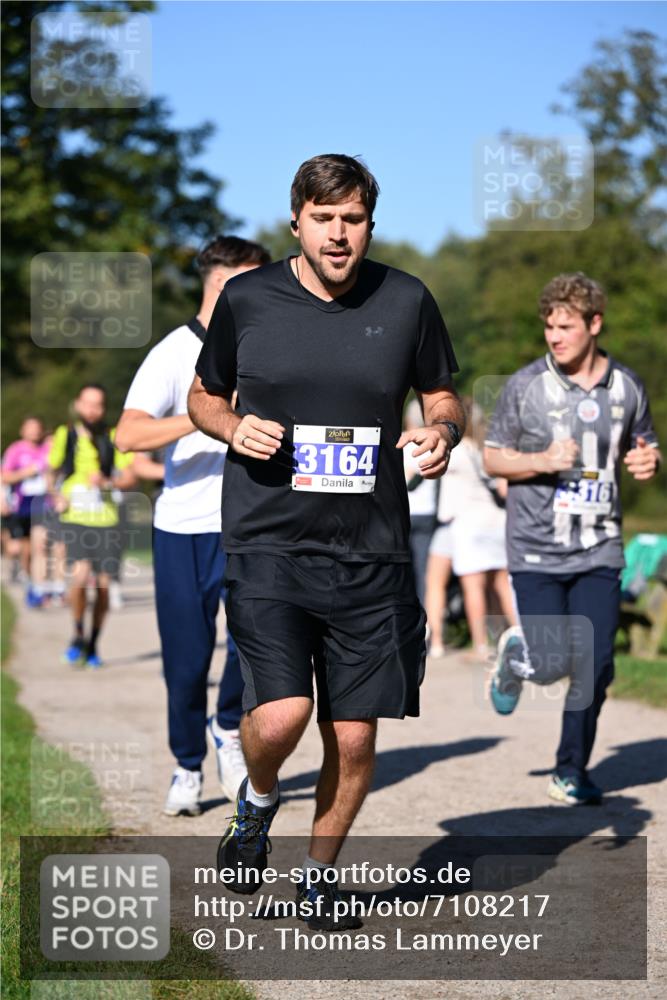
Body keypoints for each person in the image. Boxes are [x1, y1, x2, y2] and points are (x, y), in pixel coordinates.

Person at [188, 153, 463, 929]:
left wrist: (441, 429)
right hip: (268, 540)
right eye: (324, 218)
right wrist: (232, 426)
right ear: (296, 222)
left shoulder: (406, 299)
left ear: (368, 224)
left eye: (353, 220)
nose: (339, 235)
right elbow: (203, 396)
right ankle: (258, 798)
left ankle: (318, 875)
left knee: (354, 731)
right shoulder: (247, 298)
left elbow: (441, 390)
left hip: (371, 547)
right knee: (279, 717)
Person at [484, 272, 661, 805]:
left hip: (601, 546)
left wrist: (650, 459)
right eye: (549, 327)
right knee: (555, 660)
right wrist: (540, 461)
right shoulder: (524, 386)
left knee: (597, 662)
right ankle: (517, 656)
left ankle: (571, 769)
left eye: (565, 327)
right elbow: (493, 456)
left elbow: (644, 443)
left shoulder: (627, 386)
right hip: (537, 546)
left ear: (595, 324)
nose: (555, 337)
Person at [116, 235, 271, 817]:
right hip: (182, 527)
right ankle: (187, 765)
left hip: (252, 524)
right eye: (257, 280)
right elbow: (127, 436)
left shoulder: (270, 345)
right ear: (225, 282)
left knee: (252, 646)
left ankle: (228, 728)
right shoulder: (173, 352)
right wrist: (204, 412)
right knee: (185, 663)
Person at [47, 385, 136, 667]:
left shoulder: (113, 437)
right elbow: (50, 471)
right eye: (87, 404)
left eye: (97, 405)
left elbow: (131, 477)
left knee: (104, 588)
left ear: (103, 408)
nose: (92, 410)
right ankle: (77, 632)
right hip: (75, 517)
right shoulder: (66, 434)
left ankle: (94, 643)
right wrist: (55, 495)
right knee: (79, 577)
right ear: (78, 405)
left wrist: (109, 482)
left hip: (107, 519)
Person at [427, 398, 517, 661]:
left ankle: (471, 645)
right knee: (501, 583)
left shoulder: (455, 451)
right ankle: (520, 635)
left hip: (465, 525)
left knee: (463, 585)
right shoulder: (487, 450)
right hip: (496, 522)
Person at [1, 417, 51, 606]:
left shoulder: (48, 449)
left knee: (41, 546)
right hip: (20, 506)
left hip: (43, 505)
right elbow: (5, 477)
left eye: (37, 428)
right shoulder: (15, 450)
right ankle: (29, 578)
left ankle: (40, 588)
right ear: (23, 430)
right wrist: (26, 473)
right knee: (24, 549)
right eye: (30, 428)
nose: (34, 432)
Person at [402, 399, 438, 605]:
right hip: (427, 512)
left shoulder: (400, 444)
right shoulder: (431, 445)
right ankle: (426, 621)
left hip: (403, 512)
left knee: (402, 569)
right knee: (424, 570)